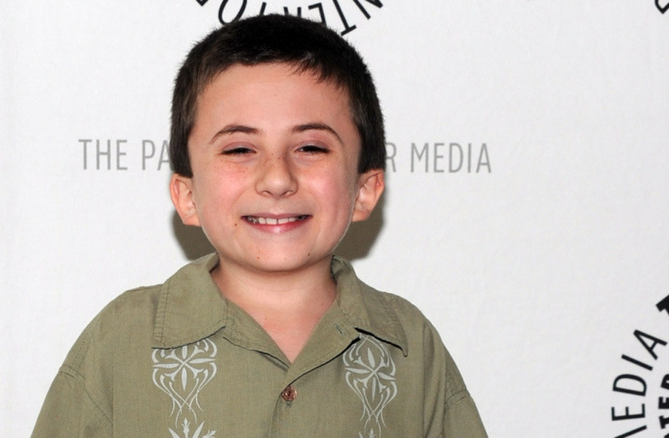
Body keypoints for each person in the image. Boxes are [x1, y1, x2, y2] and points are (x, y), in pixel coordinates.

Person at [31, 14, 487, 438]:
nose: (276, 179)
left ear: (364, 190)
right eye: (239, 149)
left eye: (310, 147)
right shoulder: (121, 341)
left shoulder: (410, 347)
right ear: (187, 197)